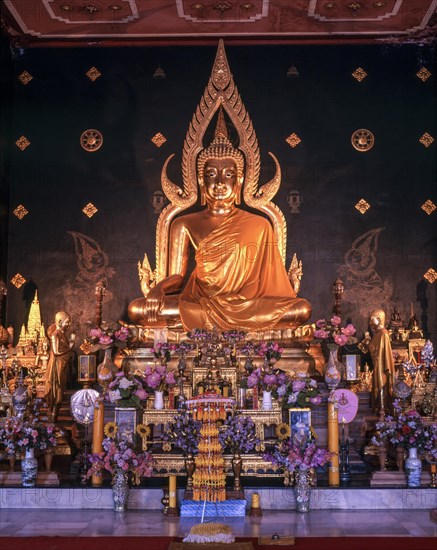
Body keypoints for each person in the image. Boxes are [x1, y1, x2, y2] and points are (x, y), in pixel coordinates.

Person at [128, 121, 311, 332]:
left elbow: (270, 284)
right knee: (137, 309)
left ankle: (205, 327)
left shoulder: (260, 224)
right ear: (200, 180)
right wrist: (158, 289)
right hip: (202, 302)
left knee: (300, 309)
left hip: (246, 304)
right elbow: (177, 277)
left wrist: (242, 301)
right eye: (212, 175)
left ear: (240, 180)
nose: (220, 182)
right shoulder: (183, 223)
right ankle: (226, 326)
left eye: (229, 174)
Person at [44, 311, 75, 421]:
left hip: (62, 366)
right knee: (56, 392)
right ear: (60, 321)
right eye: (67, 322)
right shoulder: (55, 335)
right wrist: (70, 346)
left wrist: (71, 342)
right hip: (56, 367)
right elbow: (56, 352)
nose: (69, 324)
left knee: (60, 392)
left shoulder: (62, 334)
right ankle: (52, 417)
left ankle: (54, 417)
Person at [368, 308, 395, 416]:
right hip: (376, 365)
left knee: (381, 386)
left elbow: (385, 354)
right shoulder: (377, 334)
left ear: (379, 319)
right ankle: (378, 408)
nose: (370, 322)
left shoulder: (383, 334)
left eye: (371, 319)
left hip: (381, 366)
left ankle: (383, 410)